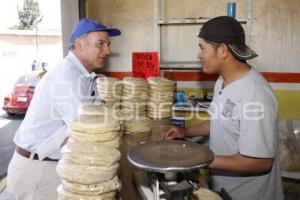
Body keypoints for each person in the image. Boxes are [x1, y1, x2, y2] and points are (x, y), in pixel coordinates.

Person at [160, 16, 284, 200]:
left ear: (223, 50)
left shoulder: (255, 94)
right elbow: (217, 121)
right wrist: (184, 131)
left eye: (202, 47)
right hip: (224, 190)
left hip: (250, 195)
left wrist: (199, 159)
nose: (198, 54)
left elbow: (260, 162)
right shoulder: (222, 81)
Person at [7, 18, 121, 200]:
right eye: (101, 44)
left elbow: (98, 116)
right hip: (38, 171)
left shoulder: (84, 77)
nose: (108, 50)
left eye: (108, 44)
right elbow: (88, 133)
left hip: (52, 166)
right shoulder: (65, 77)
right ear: (79, 44)